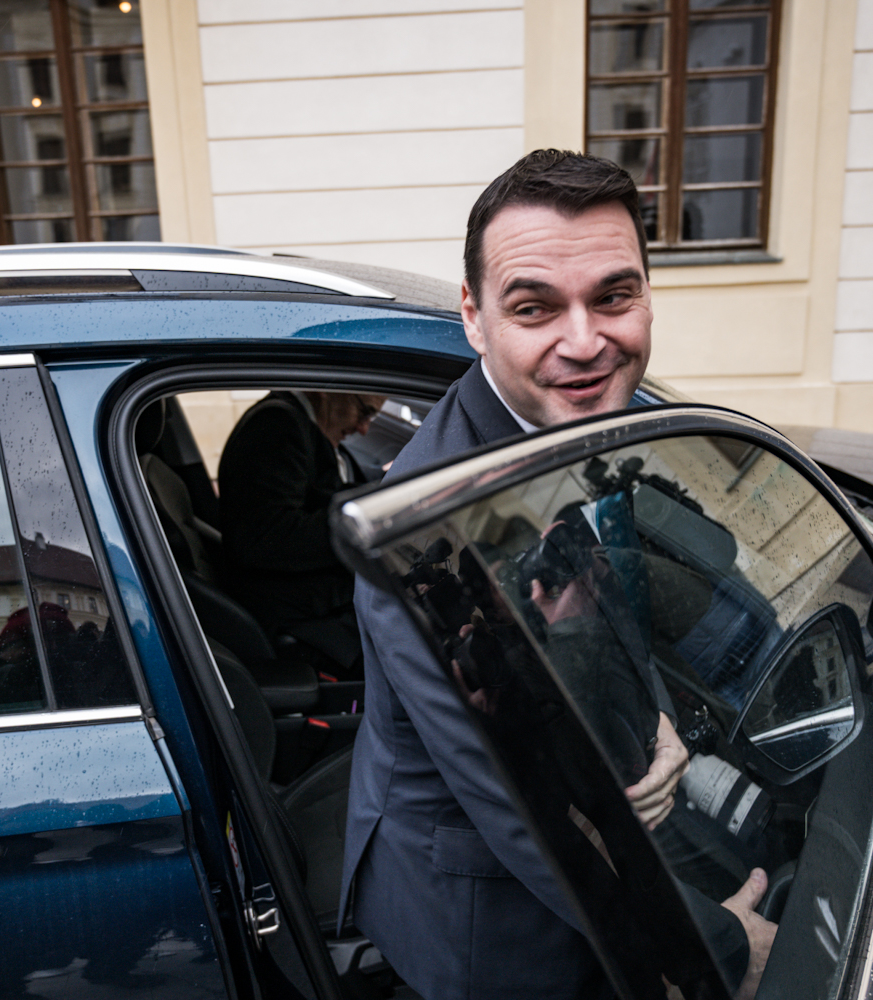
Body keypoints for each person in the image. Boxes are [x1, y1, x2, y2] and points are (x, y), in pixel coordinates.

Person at [340, 150, 776, 999]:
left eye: (613, 296)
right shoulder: (424, 533)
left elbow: (603, 603)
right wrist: (720, 946)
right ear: (473, 318)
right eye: (535, 307)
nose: (584, 343)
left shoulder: (587, 418)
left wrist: (653, 721)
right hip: (494, 919)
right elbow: (528, 812)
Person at [217, 390, 384, 677]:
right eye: (364, 412)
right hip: (294, 616)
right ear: (330, 388)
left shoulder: (300, 424)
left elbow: (320, 495)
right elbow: (267, 537)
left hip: (309, 604)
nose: (363, 429)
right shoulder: (277, 426)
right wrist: (362, 524)